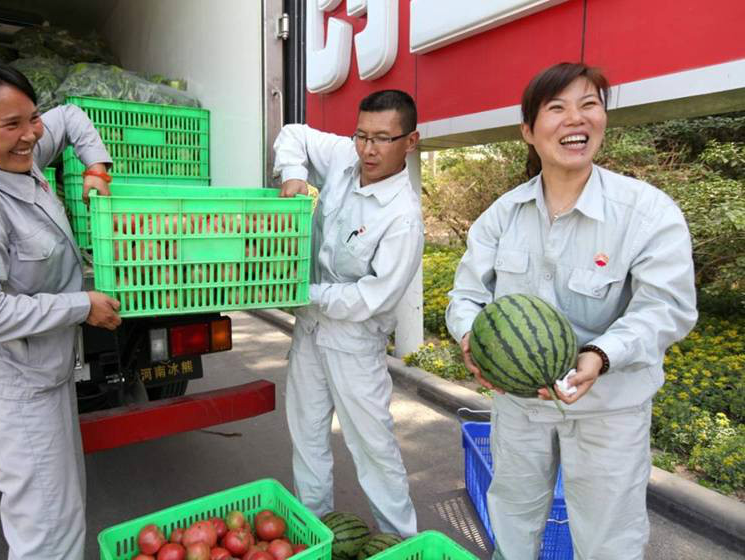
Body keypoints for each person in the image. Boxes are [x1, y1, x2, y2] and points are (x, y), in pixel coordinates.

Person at [446, 62, 697, 559]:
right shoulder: (502, 215)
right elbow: (467, 295)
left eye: (589, 105)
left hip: (610, 406)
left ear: (603, 118)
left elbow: (666, 307)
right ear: (528, 131)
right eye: (556, 108)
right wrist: (470, 338)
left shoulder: (646, 212)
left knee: (609, 539)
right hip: (520, 405)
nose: (574, 120)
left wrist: (600, 354)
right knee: (513, 521)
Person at [0, 55, 122, 560]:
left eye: (31, 117)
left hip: (43, 374)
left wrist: (95, 165)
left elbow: (70, 116)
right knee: (47, 535)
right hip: (16, 394)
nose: (31, 134)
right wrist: (80, 306)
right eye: (12, 124)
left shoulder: (14, 149)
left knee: (63, 513)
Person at [273, 90, 424, 537]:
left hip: (354, 343)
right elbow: (292, 134)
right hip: (310, 329)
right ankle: (315, 533)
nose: (368, 150)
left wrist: (303, 291)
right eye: (361, 135)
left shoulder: (402, 218)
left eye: (382, 138)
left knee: (373, 450)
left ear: (409, 141)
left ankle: (402, 542)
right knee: (307, 437)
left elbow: (369, 298)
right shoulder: (345, 156)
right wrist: (295, 176)